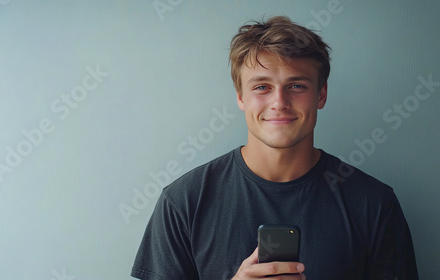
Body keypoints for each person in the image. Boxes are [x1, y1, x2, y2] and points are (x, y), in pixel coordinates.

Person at [131, 16, 418, 279]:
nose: (279, 102)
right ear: (241, 97)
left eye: (296, 86)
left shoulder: (374, 203)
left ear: (321, 94)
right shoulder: (184, 201)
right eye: (262, 87)